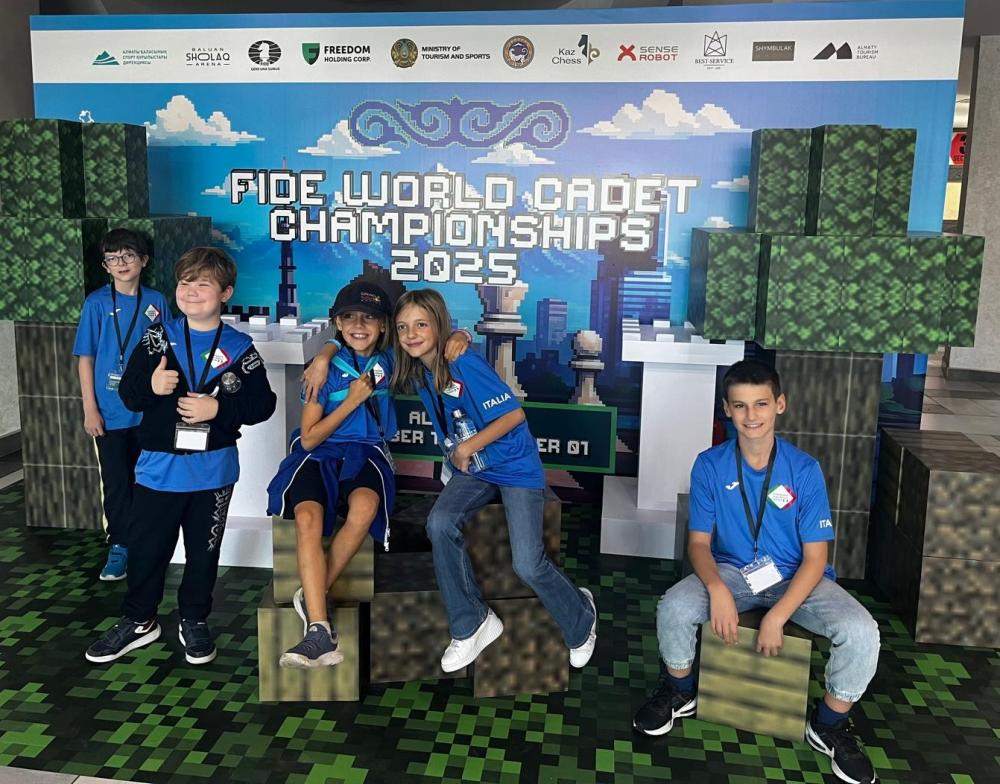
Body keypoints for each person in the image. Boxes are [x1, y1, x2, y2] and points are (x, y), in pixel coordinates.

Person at [632, 359, 880, 784]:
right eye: (740, 405)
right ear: (727, 409)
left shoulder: (804, 470)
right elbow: (698, 544)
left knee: (862, 632)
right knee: (674, 606)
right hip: (732, 572)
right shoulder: (709, 465)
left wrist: (777, 617)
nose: (751, 416)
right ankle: (679, 691)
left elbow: (816, 558)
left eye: (761, 404)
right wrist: (717, 588)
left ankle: (830, 724)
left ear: (780, 404)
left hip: (797, 576)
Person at [84, 247, 276, 665]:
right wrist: (151, 386)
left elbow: (264, 404)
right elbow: (129, 394)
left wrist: (218, 408)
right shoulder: (156, 338)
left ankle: (194, 619)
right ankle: (140, 620)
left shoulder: (240, 348)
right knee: (147, 549)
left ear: (225, 293)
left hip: (214, 472)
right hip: (158, 470)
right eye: (185, 282)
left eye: (203, 284)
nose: (190, 291)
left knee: (203, 553)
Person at [392, 288, 597, 673]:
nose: (411, 334)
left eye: (421, 325)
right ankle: (472, 622)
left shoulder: (463, 362)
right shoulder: (417, 367)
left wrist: (466, 448)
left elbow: (513, 416)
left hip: (514, 467)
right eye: (403, 327)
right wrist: (325, 355)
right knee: (439, 523)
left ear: (439, 325)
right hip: (475, 470)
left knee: (528, 564)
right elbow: (365, 351)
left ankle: (582, 618)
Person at [265, 281, 398, 668]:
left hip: (365, 451)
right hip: (319, 452)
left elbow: (426, 342)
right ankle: (319, 629)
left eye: (369, 318)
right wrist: (347, 394)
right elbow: (309, 439)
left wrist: (458, 336)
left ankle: (314, 593)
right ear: (337, 322)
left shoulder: (388, 362)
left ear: (383, 326)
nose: (359, 325)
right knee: (308, 515)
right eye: (349, 317)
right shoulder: (318, 375)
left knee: (365, 506)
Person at [73, 228, 170, 581]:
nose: (121, 263)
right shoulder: (96, 303)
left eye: (128, 255)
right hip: (109, 412)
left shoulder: (156, 301)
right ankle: (120, 545)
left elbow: (168, 351)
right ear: (105, 266)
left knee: (148, 479)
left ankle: (147, 543)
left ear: (143, 260)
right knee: (116, 482)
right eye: (113, 258)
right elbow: (85, 358)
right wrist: (90, 408)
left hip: (148, 410)